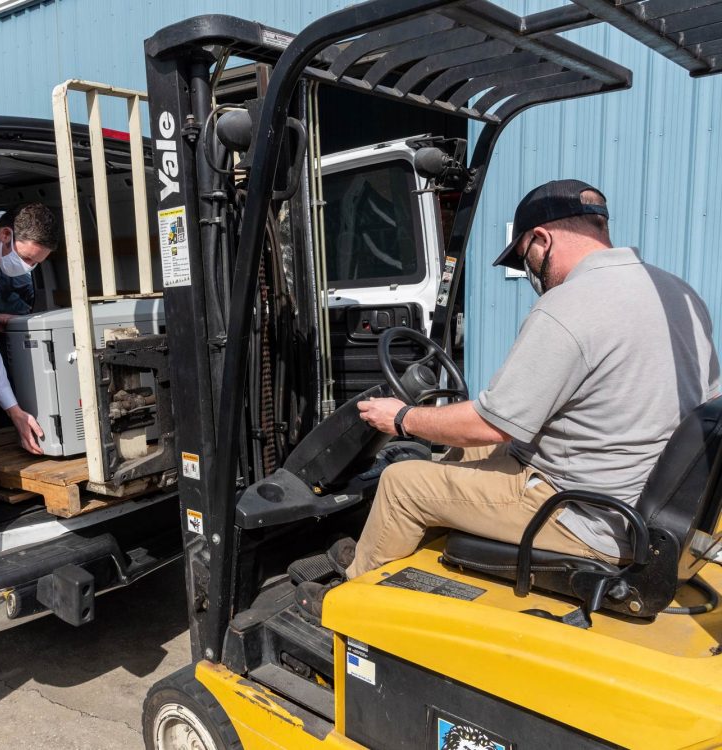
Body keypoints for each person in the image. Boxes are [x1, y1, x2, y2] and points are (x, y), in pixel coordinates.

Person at [296, 179, 720, 622]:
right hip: (633, 491)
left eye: (524, 258)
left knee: (402, 483)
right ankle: (402, 546)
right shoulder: (679, 294)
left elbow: (492, 422)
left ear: (542, 238)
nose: (528, 272)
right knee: (462, 450)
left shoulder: (568, 306)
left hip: (583, 514)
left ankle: (348, 608)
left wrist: (402, 417)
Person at [0, 202, 58, 455]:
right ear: (6, 234)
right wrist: (15, 412)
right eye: (28, 259)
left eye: (36, 263)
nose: (29, 267)